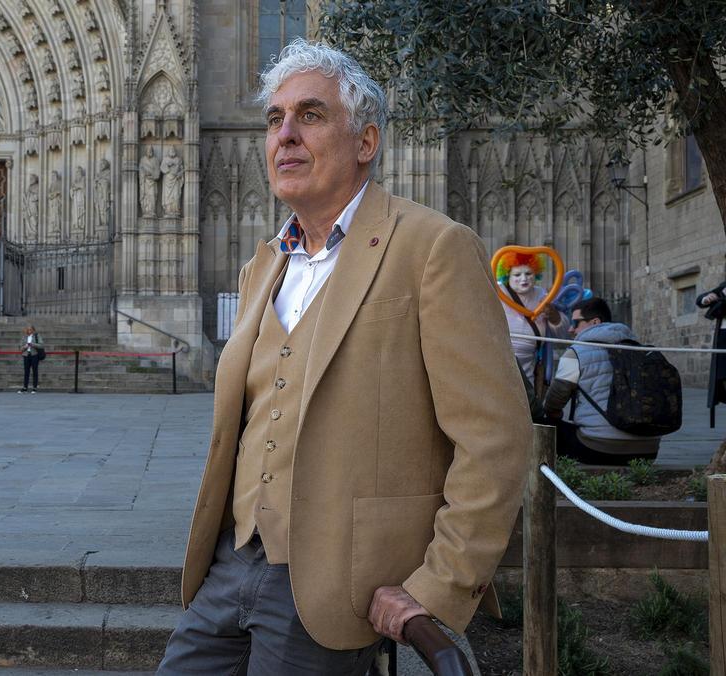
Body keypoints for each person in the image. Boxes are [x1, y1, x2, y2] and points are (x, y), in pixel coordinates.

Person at [157, 41, 531, 674]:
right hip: (229, 567)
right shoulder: (263, 266)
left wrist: (436, 585)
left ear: (366, 142)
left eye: (310, 115)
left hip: (332, 586)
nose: (286, 136)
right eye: (275, 120)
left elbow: (495, 438)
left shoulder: (432, 248)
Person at [542, 297, 662, 464]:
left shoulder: (576, 353)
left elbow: (553, 403)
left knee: (540, 423)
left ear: (595, 322)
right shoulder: (640, 350)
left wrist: (555, 415)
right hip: (648, 451)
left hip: (598, 448)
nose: (570, 329)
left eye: (576, 323)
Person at [496, 251, 570, 388]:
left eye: (528, 273)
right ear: (507, 276)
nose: (524, 279)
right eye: (517, 275)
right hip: (497, 363)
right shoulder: (497, 294)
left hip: (528, 366)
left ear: (536, 274)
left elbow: (562, 335)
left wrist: (554, 316)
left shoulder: (543, 296)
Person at [697, 282, 726, 426]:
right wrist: (708, 298)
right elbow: (701, 300)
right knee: (721, 376)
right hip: (723, 336)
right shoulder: (724, 287)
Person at [19, 325, 43, 394]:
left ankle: (34, 388)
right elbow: (20, 348)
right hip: (26, 355)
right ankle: (25, 387)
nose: (29, 331)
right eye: (27, 329)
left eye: (30, 329)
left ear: (33, 330)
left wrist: (32, 344)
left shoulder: (37, 336)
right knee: (26, 371)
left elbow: (41, 345)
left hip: (34, 355)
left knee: (35, 371)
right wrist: (25, 346)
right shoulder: (24, 337)